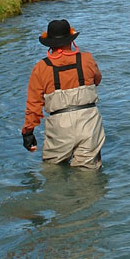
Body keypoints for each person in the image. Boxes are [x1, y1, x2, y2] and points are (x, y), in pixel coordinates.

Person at [21, 19, 105, 169]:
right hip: (89, 121)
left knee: (53, 173)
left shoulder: (41, 68)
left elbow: (34, 104)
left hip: (59, 125)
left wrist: (28, 132)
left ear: (49, 43)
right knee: (89, 176)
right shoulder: (86, 59)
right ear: (71, 40)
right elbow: (97, 80)